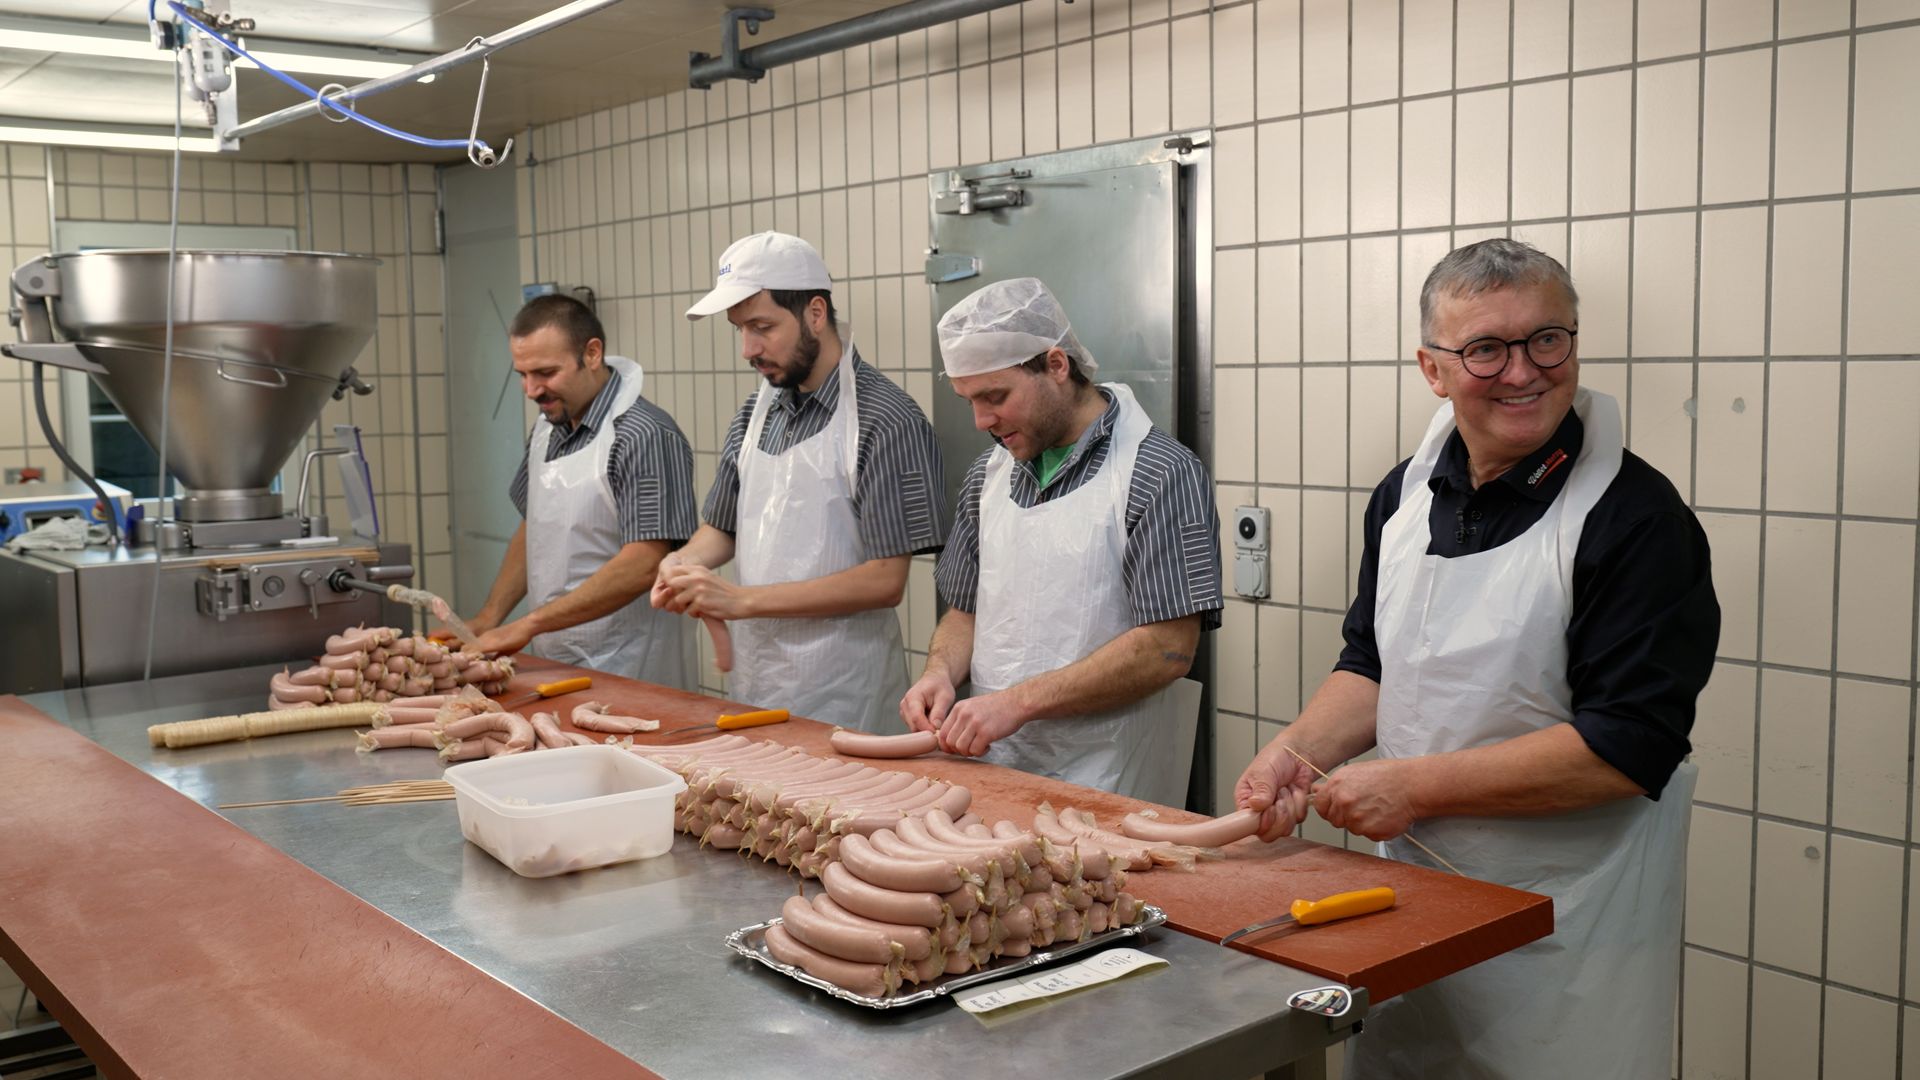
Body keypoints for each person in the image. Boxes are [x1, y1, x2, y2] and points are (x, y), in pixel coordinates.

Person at [1234, 239, 1718, 1079]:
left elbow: (1627, 744)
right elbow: (1373, 665)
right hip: (1416, 902)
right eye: (1486, 349)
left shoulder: (1637, 518)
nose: (1523, 371)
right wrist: (1293, 755)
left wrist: (1409, 785)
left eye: (1546, 340)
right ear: (1433, 368)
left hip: (1569, 920)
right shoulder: (1404, 497)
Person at [900, 278, 1222, 806]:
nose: (981, 421)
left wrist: (1017, 703)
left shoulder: (1159, 471)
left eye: (995, 396)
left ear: (1056, 366)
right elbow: (965, 611)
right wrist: (940, 672)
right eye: (969, 401)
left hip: (1109, 781)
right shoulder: (988, 474)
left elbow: (1167, 649)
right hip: (993, 770)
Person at [652, 232, 946, 733]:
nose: (748, 348)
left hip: (845, 695)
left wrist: (741, 601)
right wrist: (682, 562)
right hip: (757, 683)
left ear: (814, 313)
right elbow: (722, 528)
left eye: (762, 327)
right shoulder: (755, 413)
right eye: (740, 329)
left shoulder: (886, 419)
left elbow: (885, 580)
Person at [459, 294, 698, 688]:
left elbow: (645, 562)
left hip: (632, 663)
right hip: (559, 656)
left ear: (591, 354)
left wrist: (532, 623)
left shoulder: (643, 434)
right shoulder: (546, 428)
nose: (531, 390)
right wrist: (490, 616)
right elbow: (534, 526)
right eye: (522, 374)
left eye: (545, 372)